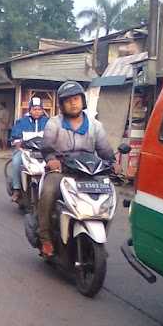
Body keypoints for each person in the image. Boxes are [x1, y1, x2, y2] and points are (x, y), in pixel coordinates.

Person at [38, 81, 114, 257]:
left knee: (108, 195)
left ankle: (97, 237)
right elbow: (47, 148)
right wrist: (51, 160)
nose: (73, 103)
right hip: (62, 171)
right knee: (48, 193)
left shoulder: (96, 126)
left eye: (76, 99)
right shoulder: (54, 123)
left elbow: (105, 151)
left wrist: (113, 163)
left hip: (89, 172)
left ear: (83, 101)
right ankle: (45, 239)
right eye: (68, 100)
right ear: (62, 104)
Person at [9, 97, 48, 202]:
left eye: (39, 109)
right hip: (25, 151)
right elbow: (15, 136)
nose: (37, 111)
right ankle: (16, 189)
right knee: (16, 161)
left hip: (43, 152)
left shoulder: (48, 122)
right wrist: (18, 142)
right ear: (30, 110)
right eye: (34, 109)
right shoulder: (21, 122)